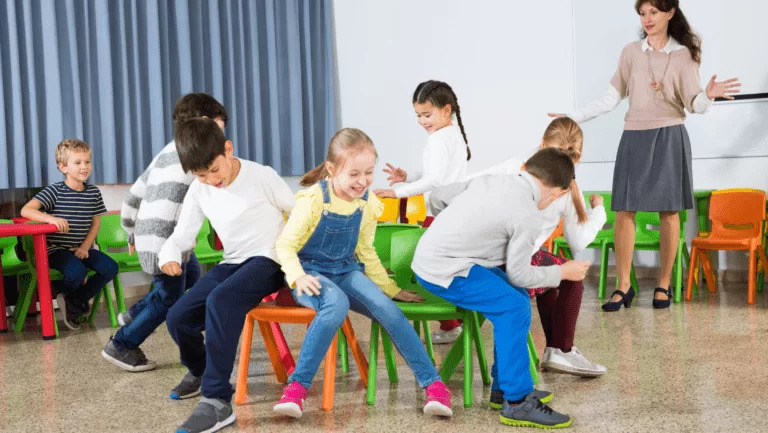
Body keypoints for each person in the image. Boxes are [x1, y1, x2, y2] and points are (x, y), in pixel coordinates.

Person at [549, 0, 740, 311]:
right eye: (642, 13)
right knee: (624, 209)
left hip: (669, 134)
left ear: (669, 13)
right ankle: (623, 286)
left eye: (653, 12)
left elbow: (695, 105)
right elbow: (611, 99)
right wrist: (573, 117)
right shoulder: (631, 52)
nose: (647, 19)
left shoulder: (684, 55)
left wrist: (709, 95)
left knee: (669, 211)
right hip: (634, 136)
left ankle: (663, 284)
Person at [274, 128, 452, 419]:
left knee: (388, 309)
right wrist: (297, 277)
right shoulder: (313, 200)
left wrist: (391, 290)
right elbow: (285, 244)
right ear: (331, 169)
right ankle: (297, 389)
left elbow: (366, 252)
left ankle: (434, 385)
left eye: (368, 173)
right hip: (310, 273)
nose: (363, 181)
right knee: (336, 305)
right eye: (354, 174)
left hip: (346, 270)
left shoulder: (368, 203)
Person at [413, 147, 591, 429]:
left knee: (515, 296)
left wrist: (458, 228)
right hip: (444, 271)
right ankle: (518, 402)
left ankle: (503, 388)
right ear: (557, 193)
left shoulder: (494, 180)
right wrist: (563, 272)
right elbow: (520, 273)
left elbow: (437, 197)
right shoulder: (527, 215)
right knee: (514, 306)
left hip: (432, 259)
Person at [161, 118, 295, 433]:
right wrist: (169, 255)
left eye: (214, 170)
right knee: (178, 317)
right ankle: (201, 370)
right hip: (233, 262)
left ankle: (217, 401)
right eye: (201, 174)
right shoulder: (199, 190)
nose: (210, 179)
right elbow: (183, 235)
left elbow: (299, 211)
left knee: (221, 301)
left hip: (269, 258)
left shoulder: (261, 176)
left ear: (228, 149)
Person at [461, 118, 607, 392]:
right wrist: (599, 211)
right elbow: (578, 241)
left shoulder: (514, 165)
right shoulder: (569, 187)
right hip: (512, 267)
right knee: (572, 273)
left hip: (477, 262)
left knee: (549, 268)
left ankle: (556, 351)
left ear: (542, 144)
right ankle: (561, 350)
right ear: (579, 157)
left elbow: (468, 184)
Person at [101, 93, 227, 371]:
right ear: (203, 124)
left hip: (152, 235)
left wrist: (130, 232)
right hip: (164, 240)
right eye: (217, 131)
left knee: (191, 274)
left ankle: (134, 314)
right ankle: (122, 344)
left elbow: (134, 194)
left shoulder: (166, 151)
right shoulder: (198, 152)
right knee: (170, 298)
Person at [374, 79, 471, 344]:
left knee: (425, 270)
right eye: (418, 115)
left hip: (441, 216)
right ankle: (454, 321)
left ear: (446, 110)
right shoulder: (453, 135)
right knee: (441, 270)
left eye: (427, 115)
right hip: (452, 214)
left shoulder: (440, 139)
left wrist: (397, 192)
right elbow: (434, 175)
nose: (422, 121)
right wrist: (408, 176)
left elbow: (436, 181)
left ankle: (451, 323)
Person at [21, 139, 118, 330]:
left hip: (80, 248)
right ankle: (70, 299)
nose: (84, 167)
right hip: (56, 250)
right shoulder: (55, 191)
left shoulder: (93, 192)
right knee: (77, 271)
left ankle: (73, 300)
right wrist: (50, 218)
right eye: (78, 162)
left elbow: (95, 222)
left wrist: (84, 247)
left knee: (110, 268)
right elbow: (26, 210)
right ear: (63, 167)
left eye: (87, 162)